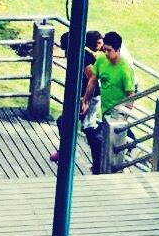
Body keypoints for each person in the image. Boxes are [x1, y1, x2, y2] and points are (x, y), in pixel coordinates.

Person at [49, 28, 100, 165]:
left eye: (67, 50)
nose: (66, 53)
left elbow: (92, 78)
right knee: (83, 127)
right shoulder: (77, 54)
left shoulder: (83, 57)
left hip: (90, 98)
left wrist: (86, 100)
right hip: (84, 97)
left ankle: (71, 152)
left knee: (69, 123)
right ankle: (71, 151)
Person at [90, 31, 135, 173]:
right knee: (100, 140)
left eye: (109, 50)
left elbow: (130, 96)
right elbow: (92, 80)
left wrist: (124, 117)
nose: (106, 53)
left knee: (97, 139)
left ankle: (99, 169)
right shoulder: (102, 60)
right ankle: (130, 143)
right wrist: (86, 100)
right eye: (105, 50)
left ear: (118, 50)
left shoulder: (125, 69)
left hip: (116, 114)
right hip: (105, 112)